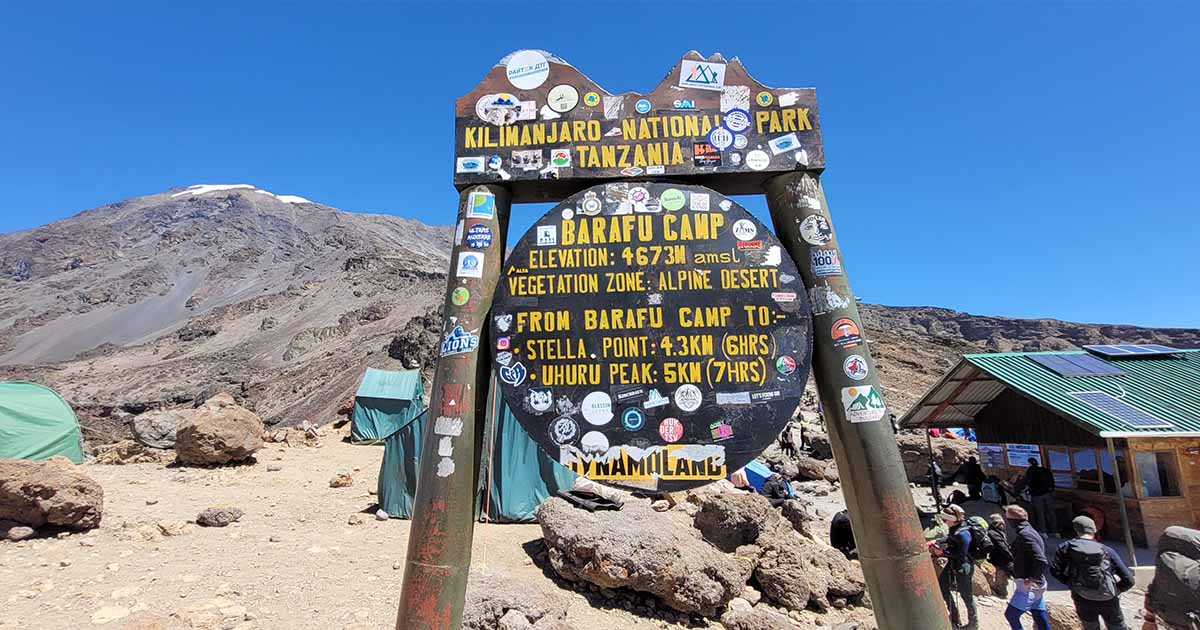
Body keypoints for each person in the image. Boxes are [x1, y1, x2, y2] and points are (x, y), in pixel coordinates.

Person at [1050, 516, 1135, 630]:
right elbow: (1129, 579)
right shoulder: (1106, 550)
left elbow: (1055, 570)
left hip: (1081, 596)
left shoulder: (1066, 548)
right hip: (1108, 597)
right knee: (1117, 627)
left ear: (1076, 530)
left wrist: (1071, 583)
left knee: (1090, 627)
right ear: (1094, 530)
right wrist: (1116, 590)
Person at [1004, 505, 1050, 630]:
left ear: (1013, 520)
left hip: (1030, 585)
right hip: (1038, 584)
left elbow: (1041, 561)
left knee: (1011, 615)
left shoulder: (1025, 535)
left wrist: (1031, 579)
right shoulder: (1030, 530)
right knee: (1038, 614)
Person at [934, 504, 978, 630]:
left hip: (963, 566)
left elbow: (961, 554)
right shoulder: (956, 529)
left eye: (944, 520)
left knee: (966, 595)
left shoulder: (963, 534)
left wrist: (942, 553)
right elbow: (950, 538)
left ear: (951, 520)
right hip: (954, 563)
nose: (943, 522)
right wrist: (937, 542)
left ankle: (973, 623)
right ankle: (954, 617)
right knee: (943, 586)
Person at [1022, 458, 1058, 536]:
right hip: (1049, 493)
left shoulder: (1030, 471)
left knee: (1040, 513)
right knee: (1051, 512)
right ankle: (1055, 531)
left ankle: (1043, 531)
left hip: (1037, 495)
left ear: (1029, 464)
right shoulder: (1045, 470)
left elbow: (1028, 483)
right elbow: (1052, 481)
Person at [988, 514, 1015, 597]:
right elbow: (1003, 548)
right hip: (1001, 562)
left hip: (1003, 561)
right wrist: (1013, 557)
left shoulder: (999, 532)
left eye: (1002, 523)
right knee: (1002, 583)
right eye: (998, 523)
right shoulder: (993, 533)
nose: (1002, 525)